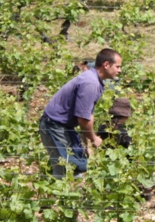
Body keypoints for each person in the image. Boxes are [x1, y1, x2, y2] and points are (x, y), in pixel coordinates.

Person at [40, 48, 122, 178]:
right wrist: (94, 138)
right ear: (106, 65)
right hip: (54, 126)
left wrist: (87, 143)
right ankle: (58, 196)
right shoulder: (90, 83)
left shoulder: (95, 81)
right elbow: (83, 120)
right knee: (65, 169)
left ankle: (70, 195)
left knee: (79, 166)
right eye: (117, 66)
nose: (119, 70)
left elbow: (88, 115)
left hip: (64, 126)